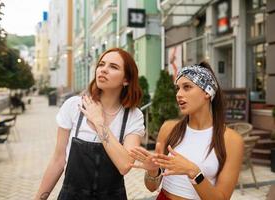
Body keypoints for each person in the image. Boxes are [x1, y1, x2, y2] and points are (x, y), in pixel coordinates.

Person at [35, 48, 145, 200]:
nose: (103, 70)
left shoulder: (133, 116)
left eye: (113, 67)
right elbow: (58, 160)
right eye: (101, 65)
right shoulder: (74, 106)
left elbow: (125, 165)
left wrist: (99, 122)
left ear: (126, 80)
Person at [130, 62, 244, 200]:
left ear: (207, 92)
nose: (178, 94)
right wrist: (152, 171)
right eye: (178, 88)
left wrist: (193, 172)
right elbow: (152, 187)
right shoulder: (168, 129)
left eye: (187, 87)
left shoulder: (231, 140)